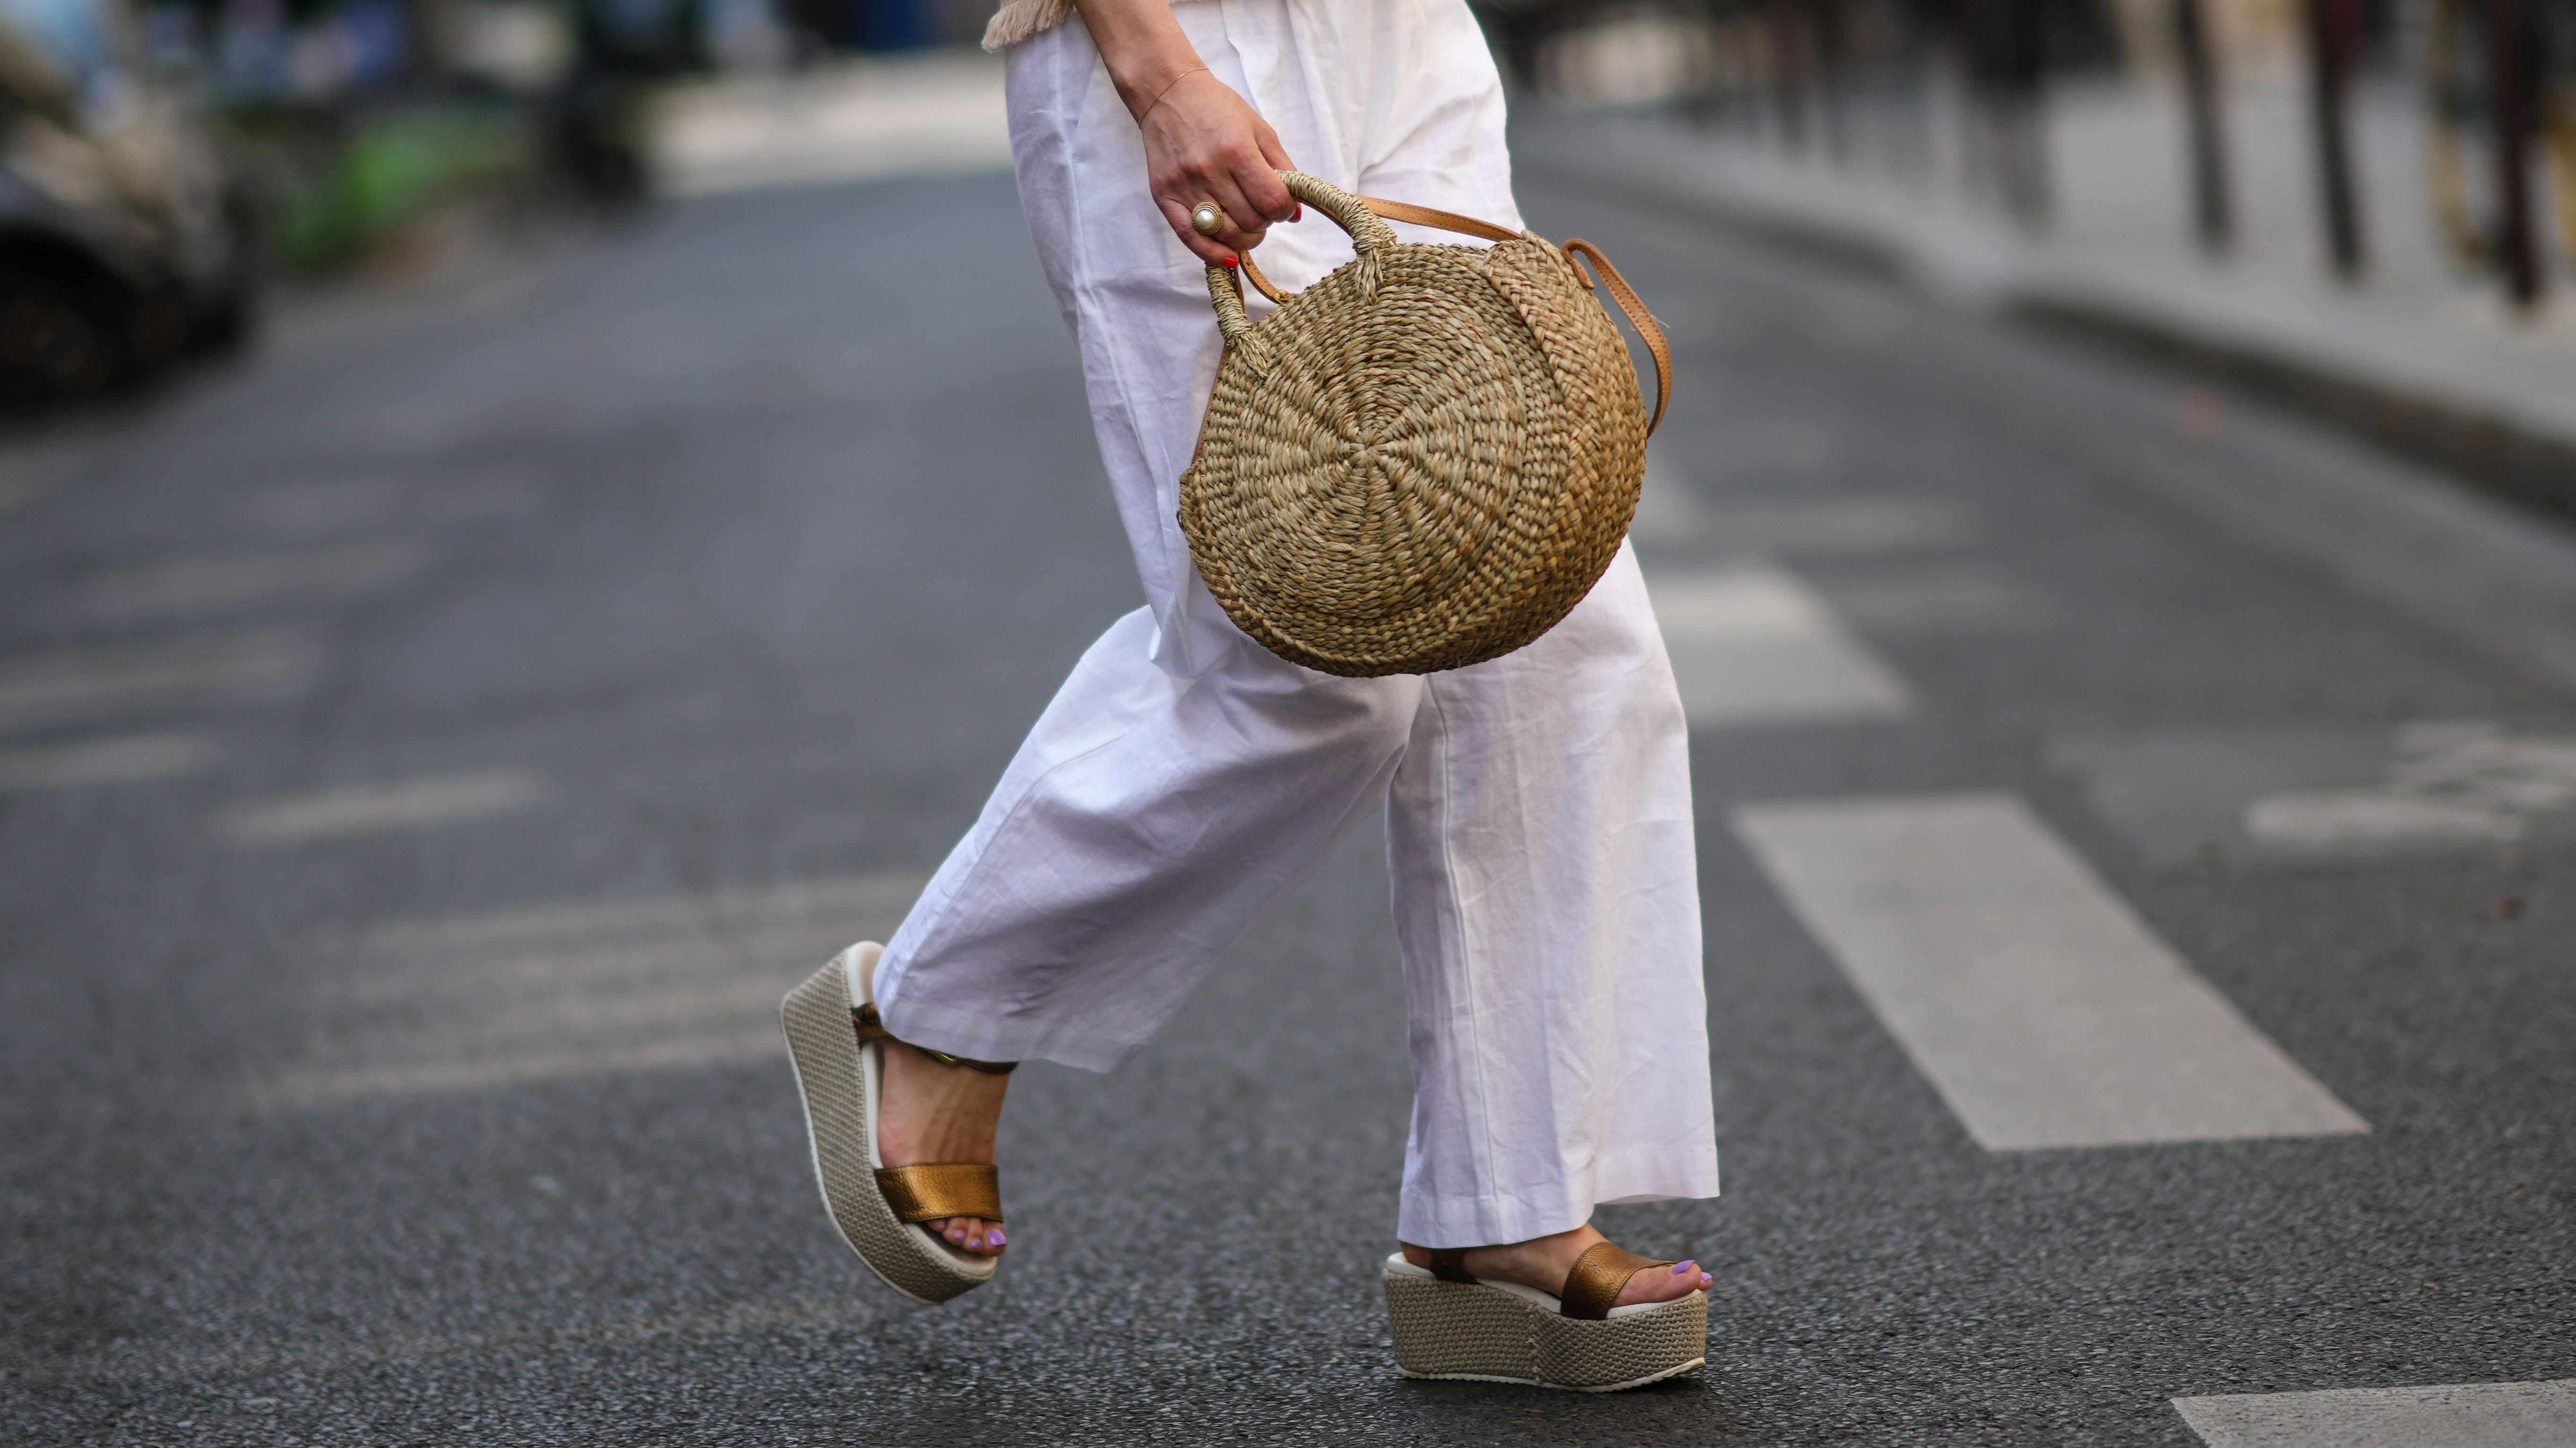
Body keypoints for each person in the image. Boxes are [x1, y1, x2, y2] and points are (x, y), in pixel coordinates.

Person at [778, 0, 1722, 1389]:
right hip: (1180, 39)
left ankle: (1502, 1207)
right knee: (1301, 666)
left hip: (1397, 33)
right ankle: (936, 1006)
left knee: (1545, 611)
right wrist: (1157, 77)